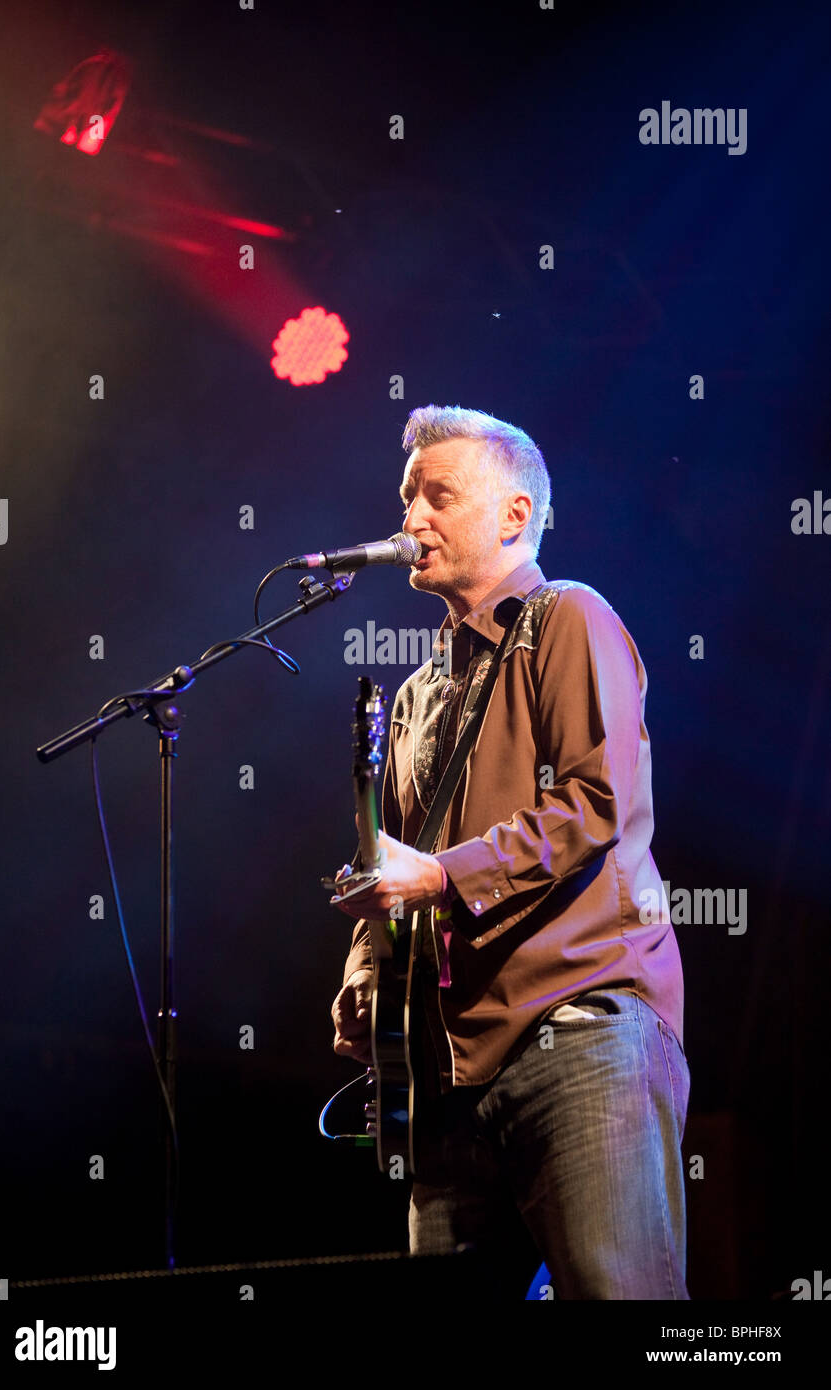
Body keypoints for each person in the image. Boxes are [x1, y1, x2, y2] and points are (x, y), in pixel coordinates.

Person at [329, 405, 689, 1300]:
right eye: (408, 496)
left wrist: (442, 876)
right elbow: (397, 865)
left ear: (515, 516)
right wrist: (363, 977)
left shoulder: (569, 617)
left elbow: (594, 802)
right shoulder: (413, 695)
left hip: (578, 1032)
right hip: (449, 1078)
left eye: (437, 496)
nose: (411, 518)